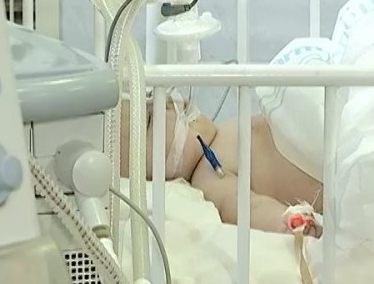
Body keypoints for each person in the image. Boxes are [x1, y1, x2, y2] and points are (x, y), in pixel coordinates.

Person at [120, 96, 323, 237]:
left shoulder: (224, 131)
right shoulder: (207, 175)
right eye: (150, 119)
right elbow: (247, 207)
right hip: (322, 173)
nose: (171, 104)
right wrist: (286, 221)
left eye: (158, 99)